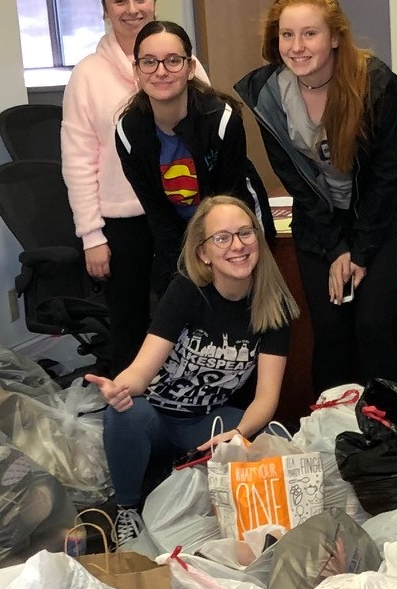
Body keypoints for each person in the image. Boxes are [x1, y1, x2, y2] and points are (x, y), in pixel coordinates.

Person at [236, 0, 397, 394]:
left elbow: (385, 177)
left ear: (335, 37)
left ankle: (392, 431)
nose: (297, 47)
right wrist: (336, 249)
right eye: (287, 35)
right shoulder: (269, 94)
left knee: (372, 326)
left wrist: (360, 252)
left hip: (383, 215)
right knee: (330, 329)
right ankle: (331, 436)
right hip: (321, 220)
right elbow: (297, 182)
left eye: (310, 34)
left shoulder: (374, 84)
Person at [85, 194, 297, 541]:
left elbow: (266, 399)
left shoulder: (274, 305)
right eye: (222, 238)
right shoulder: (187, 291)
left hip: (206, 424)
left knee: (272, 435)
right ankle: (128, 508)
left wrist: (240, 433)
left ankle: (190, 486)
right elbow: (142, 370)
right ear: (203, 253)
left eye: (245, 233)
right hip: (156, 421)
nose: (237, 246)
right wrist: (120, 388)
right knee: (125, 414)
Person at [61, 0, 205, 375]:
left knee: (192, 315)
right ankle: (130, 415)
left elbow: (208, 138)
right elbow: (78, 160)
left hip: (184, 214)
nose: (132, 8)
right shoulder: (87, 75)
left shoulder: (182, 61)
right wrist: (91, 235)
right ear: (105, 8)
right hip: (122, 220)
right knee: (129, 324)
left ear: (154, 1)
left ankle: (191, 406)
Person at [114, 19, 272, 299]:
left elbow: (229, 203)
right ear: (136, 71)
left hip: (235, 231)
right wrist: (183, 272)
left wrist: (214, 260)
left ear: (189, 68)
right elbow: (157, 214)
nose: (161, 71)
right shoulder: (129, 133)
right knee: (174, 304)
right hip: (177, 239)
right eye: (149, 62)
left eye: (173, 61)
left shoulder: (221, 121)